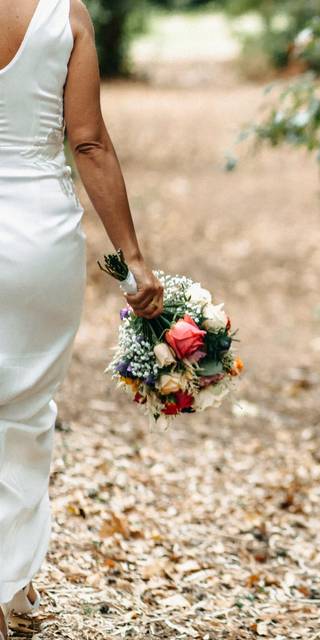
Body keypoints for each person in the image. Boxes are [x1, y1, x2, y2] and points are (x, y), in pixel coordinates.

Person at [0, 0, 164, 634]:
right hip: (38, 235)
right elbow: (88, 140)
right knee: (23, 410)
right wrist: (133, 256)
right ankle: (12, 581)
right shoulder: (66, 13)